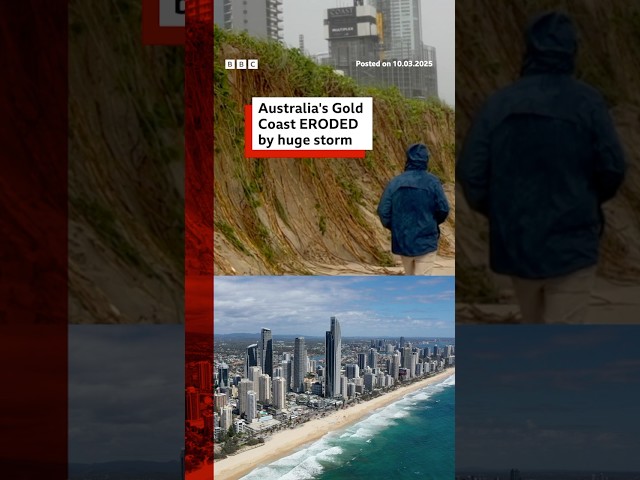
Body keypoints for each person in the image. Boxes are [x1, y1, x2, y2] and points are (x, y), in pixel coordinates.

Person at [457, 12, 626, 323]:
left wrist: (501, 211)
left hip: (518, 240)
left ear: (529, 49)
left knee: (534, 328)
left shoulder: (500, 104)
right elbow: (613, 168)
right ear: (572, 50)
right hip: (572, 240)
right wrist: (585, 200)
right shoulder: (587, 102)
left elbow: (471, 172)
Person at [377, 143, 449, 275]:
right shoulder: (433, 182)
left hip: (403, 239)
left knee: (410, 279)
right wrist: (431, 222)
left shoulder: (395, 182)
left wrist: (396, 227)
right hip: (426, 239)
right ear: (426, 160)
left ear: (408, 159)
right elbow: (443, 209)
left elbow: (383, 211)